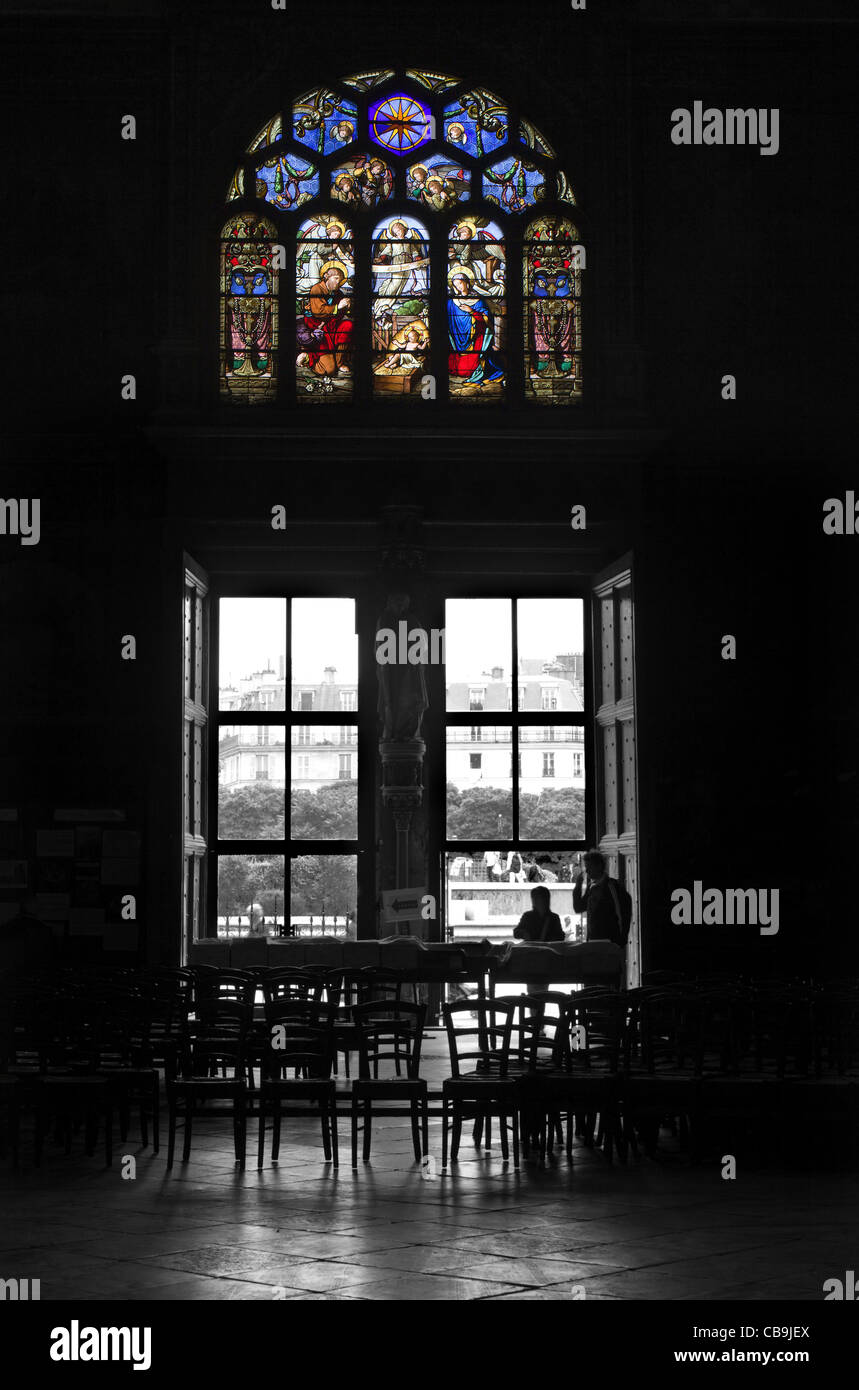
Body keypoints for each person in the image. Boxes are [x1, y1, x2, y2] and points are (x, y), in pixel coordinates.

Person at [572, 850, 632, 946]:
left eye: (589, 867)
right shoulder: (592, 886)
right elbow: (578, 907)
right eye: (586, 867)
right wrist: (578, 886)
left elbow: (622, 915)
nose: (587, 871)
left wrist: (620, 942)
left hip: (609, 943)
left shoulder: (612, 887)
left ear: (599, 866)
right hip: (593, 942)